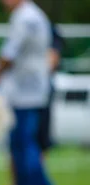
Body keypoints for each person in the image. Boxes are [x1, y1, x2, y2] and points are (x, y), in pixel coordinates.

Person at [0, 0, 53, 185]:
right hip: (33, 86)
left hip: (24, 89)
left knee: (21, 143)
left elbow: (10, 52)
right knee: (27, 141)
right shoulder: (35, 15)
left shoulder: (24, 17)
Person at [37, 23, 65, 157]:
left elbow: (52, 60)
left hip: (40, 90)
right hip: (23, 94)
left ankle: (37, 173)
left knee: (41, 140)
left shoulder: (49, 29)